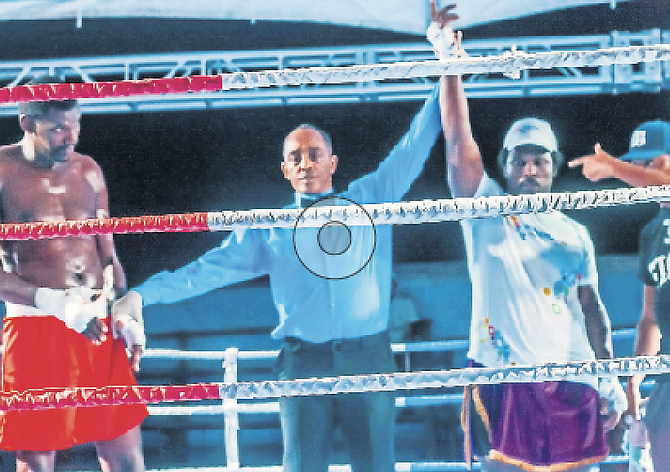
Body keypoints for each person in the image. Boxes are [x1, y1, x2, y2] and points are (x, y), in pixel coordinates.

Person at [110, 6, 456, 470]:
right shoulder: (268, 227)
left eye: (315, 154)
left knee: (377, 465)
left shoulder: (374, 197)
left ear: (333, 163)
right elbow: (202, 273)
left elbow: (422, 134)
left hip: (369, 357)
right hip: (302, 360)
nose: (306, 163)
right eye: (296, 156)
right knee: (301, 466)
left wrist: (446, 56)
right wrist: (140, 295)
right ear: (285, 169)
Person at [434, 3, 626, 470]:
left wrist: (610, 375)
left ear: (554, 168)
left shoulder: (575, 232)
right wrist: (449, 63)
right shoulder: (486, 211)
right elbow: (460, 142)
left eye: (539, 159)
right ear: (504, 167)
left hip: (571, 376)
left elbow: (590, 306)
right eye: (519, 159)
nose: (529, 168)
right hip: (504, 376)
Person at [0, 76, 148, 472]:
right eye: (58, 128)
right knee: (37, 461)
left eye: (76, 125)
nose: (71, 137)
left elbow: (106, 252)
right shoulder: (1, 172)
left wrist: (123, 311)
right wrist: (54, 303)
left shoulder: (89, 170)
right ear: (27, 123)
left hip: (98, 323)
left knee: (126, 457)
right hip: (37, 327)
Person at [570, 119, 670, 470]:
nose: (640, 173)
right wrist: (634, 380)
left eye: (651, 163)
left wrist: (613, 166)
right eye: (636, 164)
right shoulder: (652, 233)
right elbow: (650, 316)